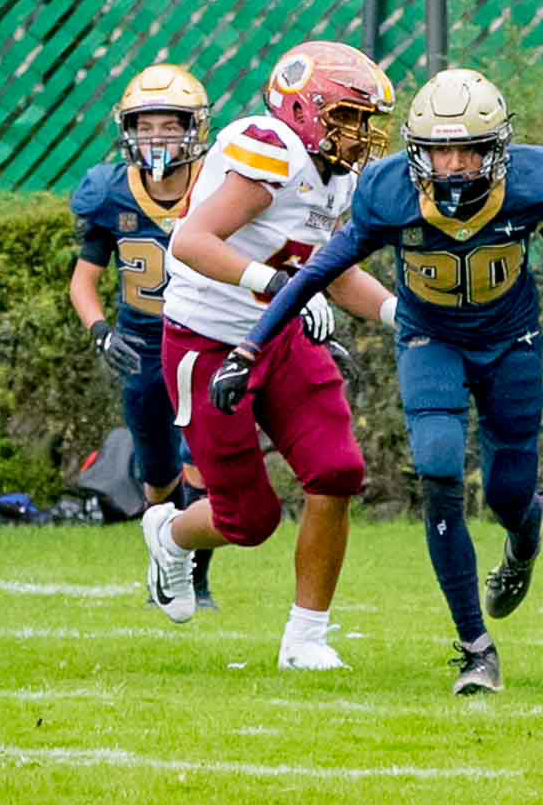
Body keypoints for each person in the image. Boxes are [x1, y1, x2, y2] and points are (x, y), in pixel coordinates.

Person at [231, 67, 543, 695]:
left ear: (497, 148)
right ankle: (475, 646)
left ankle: (523, 543)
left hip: (511, 342)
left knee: (510, 495)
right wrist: (249, 346)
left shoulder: (533, 184)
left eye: (469, 150)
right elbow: (316, 272)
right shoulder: (391, 194)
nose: (452, 166)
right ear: (416, 151)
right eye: (438, 151)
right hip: (432, 340)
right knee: (439, 467)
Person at [149, 39, 397, 669]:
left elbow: (338, 273)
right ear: (303, 109)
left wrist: (402, 315)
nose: (359, 133)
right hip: (208, 341)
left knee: (338, 471)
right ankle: (170, 534)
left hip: (280, 337)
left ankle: (306, 637)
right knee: (248, 520)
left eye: (364, 119)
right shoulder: (270, 150)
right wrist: (281, 285)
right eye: (347, 116)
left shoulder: (338, 176)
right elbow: (191, 241)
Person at [68, 63, 218, 613]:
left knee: (201, 458)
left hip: (204, 336)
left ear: (193, 129)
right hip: (142, 344)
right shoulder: (111, 193)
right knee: (157, 471)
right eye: (145, 126)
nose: (157, 138)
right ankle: (163, 557)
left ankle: (195, 580)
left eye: (169, 126)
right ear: (127, 131)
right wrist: (101, 332)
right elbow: (83, 282)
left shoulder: (218, 184)